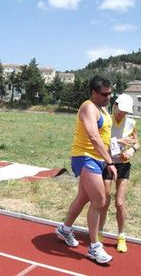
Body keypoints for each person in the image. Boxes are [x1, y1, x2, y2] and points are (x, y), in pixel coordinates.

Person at [56, 75, 117, 264]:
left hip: (98, 158)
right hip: (85, 157)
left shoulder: (103, 109)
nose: (108, 97)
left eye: (110, 94)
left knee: (83, 198)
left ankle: (64, 230)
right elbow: (93, 135)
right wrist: (110, 162)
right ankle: (94, 247)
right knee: (99, 200)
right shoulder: (88, 107)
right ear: (93, 93)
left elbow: (105, 136)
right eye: (104, 94)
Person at [99, 93, 140, 253]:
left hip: (123, 165)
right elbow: (101, 142)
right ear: (114, 105)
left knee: (120, 203)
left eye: (125, 111)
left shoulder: (131, 123)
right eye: (120, 109)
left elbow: (136, 141)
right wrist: (119, 142)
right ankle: (99, 233)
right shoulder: (106, 120)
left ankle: (121, 236)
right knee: (104, 201)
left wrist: (131, 150)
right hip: (108, 164)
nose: (122, 113)